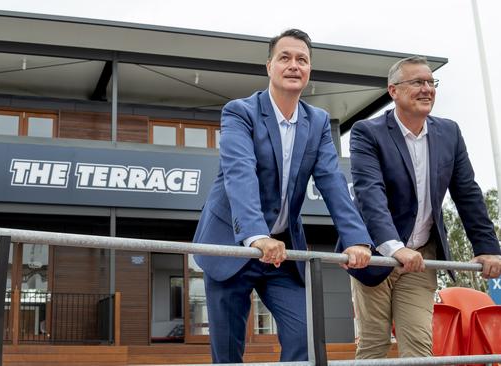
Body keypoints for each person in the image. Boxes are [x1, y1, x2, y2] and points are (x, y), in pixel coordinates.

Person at [192, 28, 373, 363]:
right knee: (228, 354)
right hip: (230, 243)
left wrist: (356, 239)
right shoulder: (240, 112)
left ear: (309, 70)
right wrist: (256, 234)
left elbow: (332, 180)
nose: (294, 65)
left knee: (305, 336)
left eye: (302, 59)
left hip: (281, 252)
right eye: (285, 58)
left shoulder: (316, 121)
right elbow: (239, 172)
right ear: (269, 67)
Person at [348, 55, 501, 359]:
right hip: (375, 255)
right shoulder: (367, 132)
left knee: (420, 348)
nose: (427, 89)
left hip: (421, 255)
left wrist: (488, 247)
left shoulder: (449, 133)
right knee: (374, 344)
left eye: (431, 82)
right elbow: (370, 194)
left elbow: (467, 193)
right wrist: (394, 247)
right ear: (393, 90)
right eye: (417, 82)